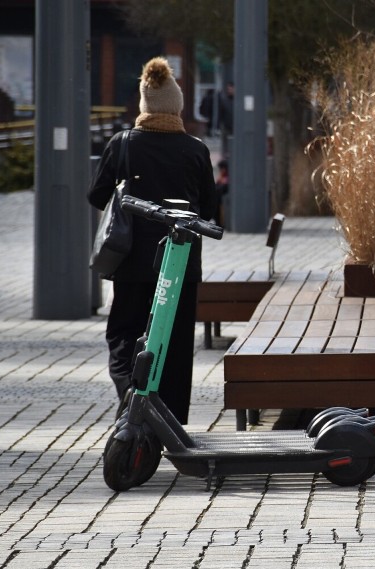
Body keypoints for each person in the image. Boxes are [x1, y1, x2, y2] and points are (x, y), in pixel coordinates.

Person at [89, 57, 217, 424]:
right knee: (175, 344)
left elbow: (97, 195)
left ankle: (131, 395)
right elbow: (208, 208)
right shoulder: (195, 149)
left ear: (144, 105)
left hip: (130, 261)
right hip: (180, 264)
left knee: (124, 333)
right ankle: (170, 420)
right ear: (176, 107)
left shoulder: (122, 144)